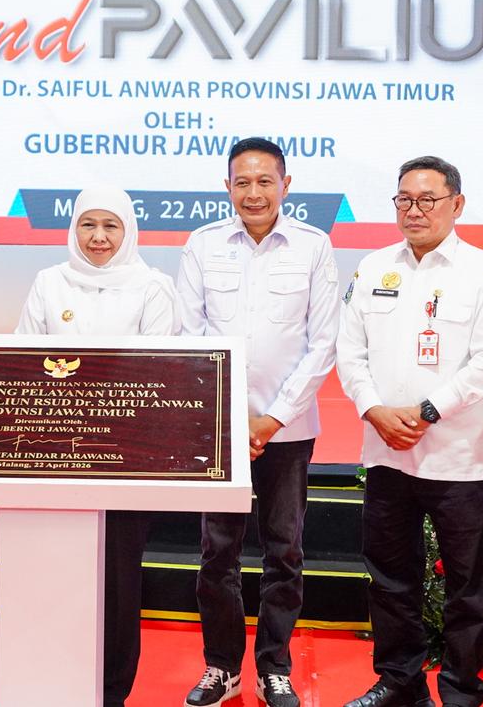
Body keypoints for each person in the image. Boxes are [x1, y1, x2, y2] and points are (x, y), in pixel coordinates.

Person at [336, 156, 483, 707]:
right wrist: (373, 409)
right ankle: (400, 682)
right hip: (386, 454)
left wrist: (428, 412)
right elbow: (350, 352)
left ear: (456, 204)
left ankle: (460, 691)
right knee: (390, 579)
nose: (413, 210)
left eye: (427, 200)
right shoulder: (373, 268)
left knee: (467, 587)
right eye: (404, 200)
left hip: (458, 462)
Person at [178, 138, 339, 707]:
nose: (253, 193)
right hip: (220, 430)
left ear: (285, 185)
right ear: (227, 187)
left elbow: (323, 342)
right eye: (242, 182)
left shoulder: (314, 246)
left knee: (284, 550)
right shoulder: (202, 245)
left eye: (264, 181)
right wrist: (232, 417)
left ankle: (274, 666)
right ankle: (221, 667)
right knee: (217, 552)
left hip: (287, 430)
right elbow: (191, 337)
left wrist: (271, 418)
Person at [16, 187, 179, 707]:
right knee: (53, 574)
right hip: (52, 456)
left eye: (111, 225)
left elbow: (158, 374)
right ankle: (51, 684)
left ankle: (111, 692)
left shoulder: (154, 287)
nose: (99, 237)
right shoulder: (49, 282)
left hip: (125, 463)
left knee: (117, 582)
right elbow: (24, 363)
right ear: (73, 229)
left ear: (128, 230)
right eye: (88, 224)